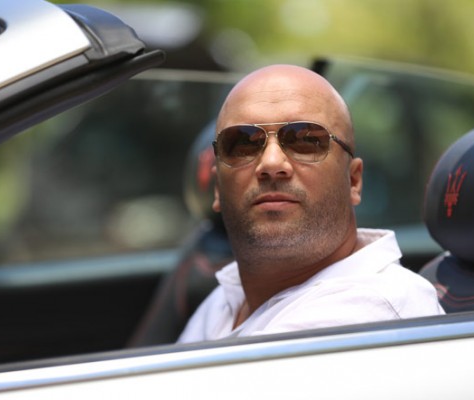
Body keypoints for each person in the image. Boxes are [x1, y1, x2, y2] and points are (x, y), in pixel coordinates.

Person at [177, 64, 444, 343]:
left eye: (305, 140)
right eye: (243, 143)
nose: (271, 164)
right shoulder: (228, 296)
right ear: (217, 189)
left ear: (353, 181)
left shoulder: (365, 313)